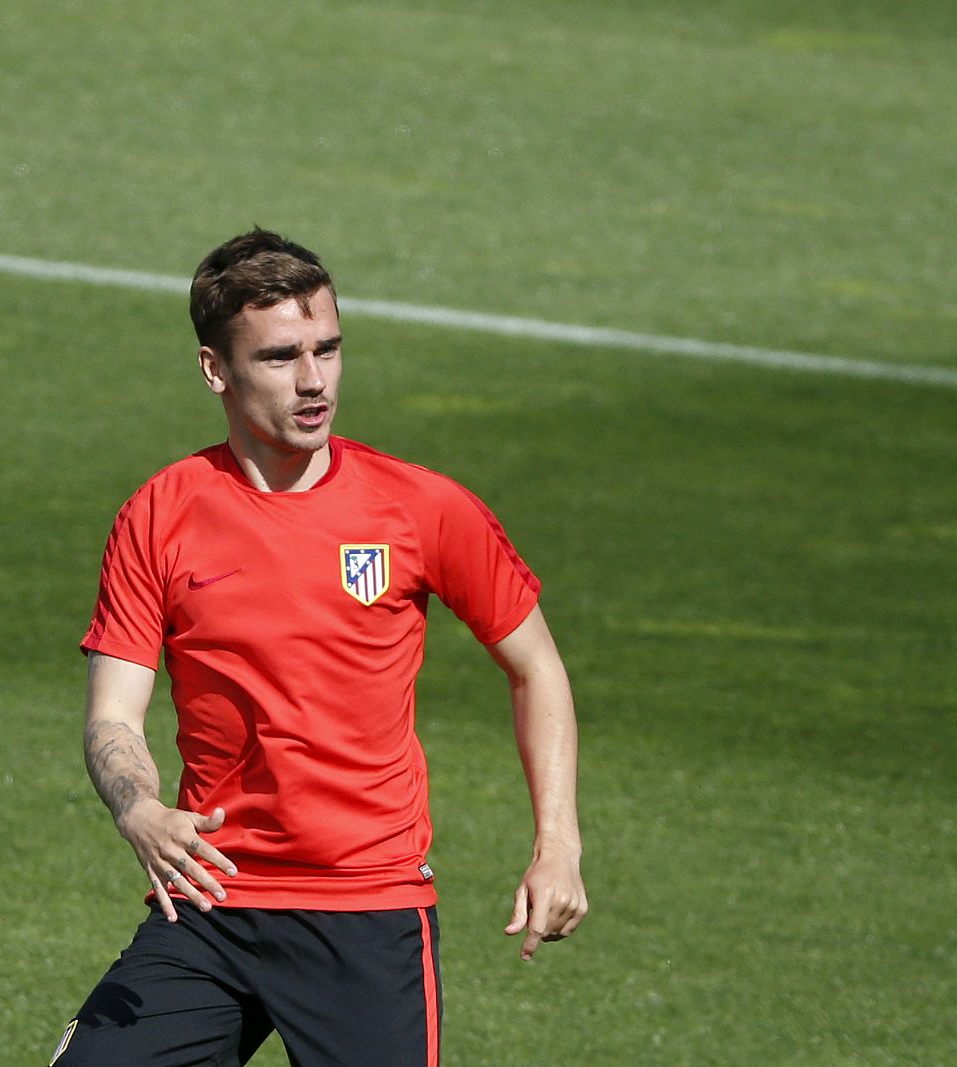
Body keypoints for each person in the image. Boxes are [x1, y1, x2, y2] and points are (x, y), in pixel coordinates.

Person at [52, 228, 587, 1067]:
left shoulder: (421, 508)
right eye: (279, 357)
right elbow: (114, 714)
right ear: (214, 368)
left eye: (328, 349)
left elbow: (536, 665)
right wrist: (140, 809)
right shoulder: (161, 513)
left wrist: (558, 844)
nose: (313, 381)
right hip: (211, 902)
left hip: (364, 912)